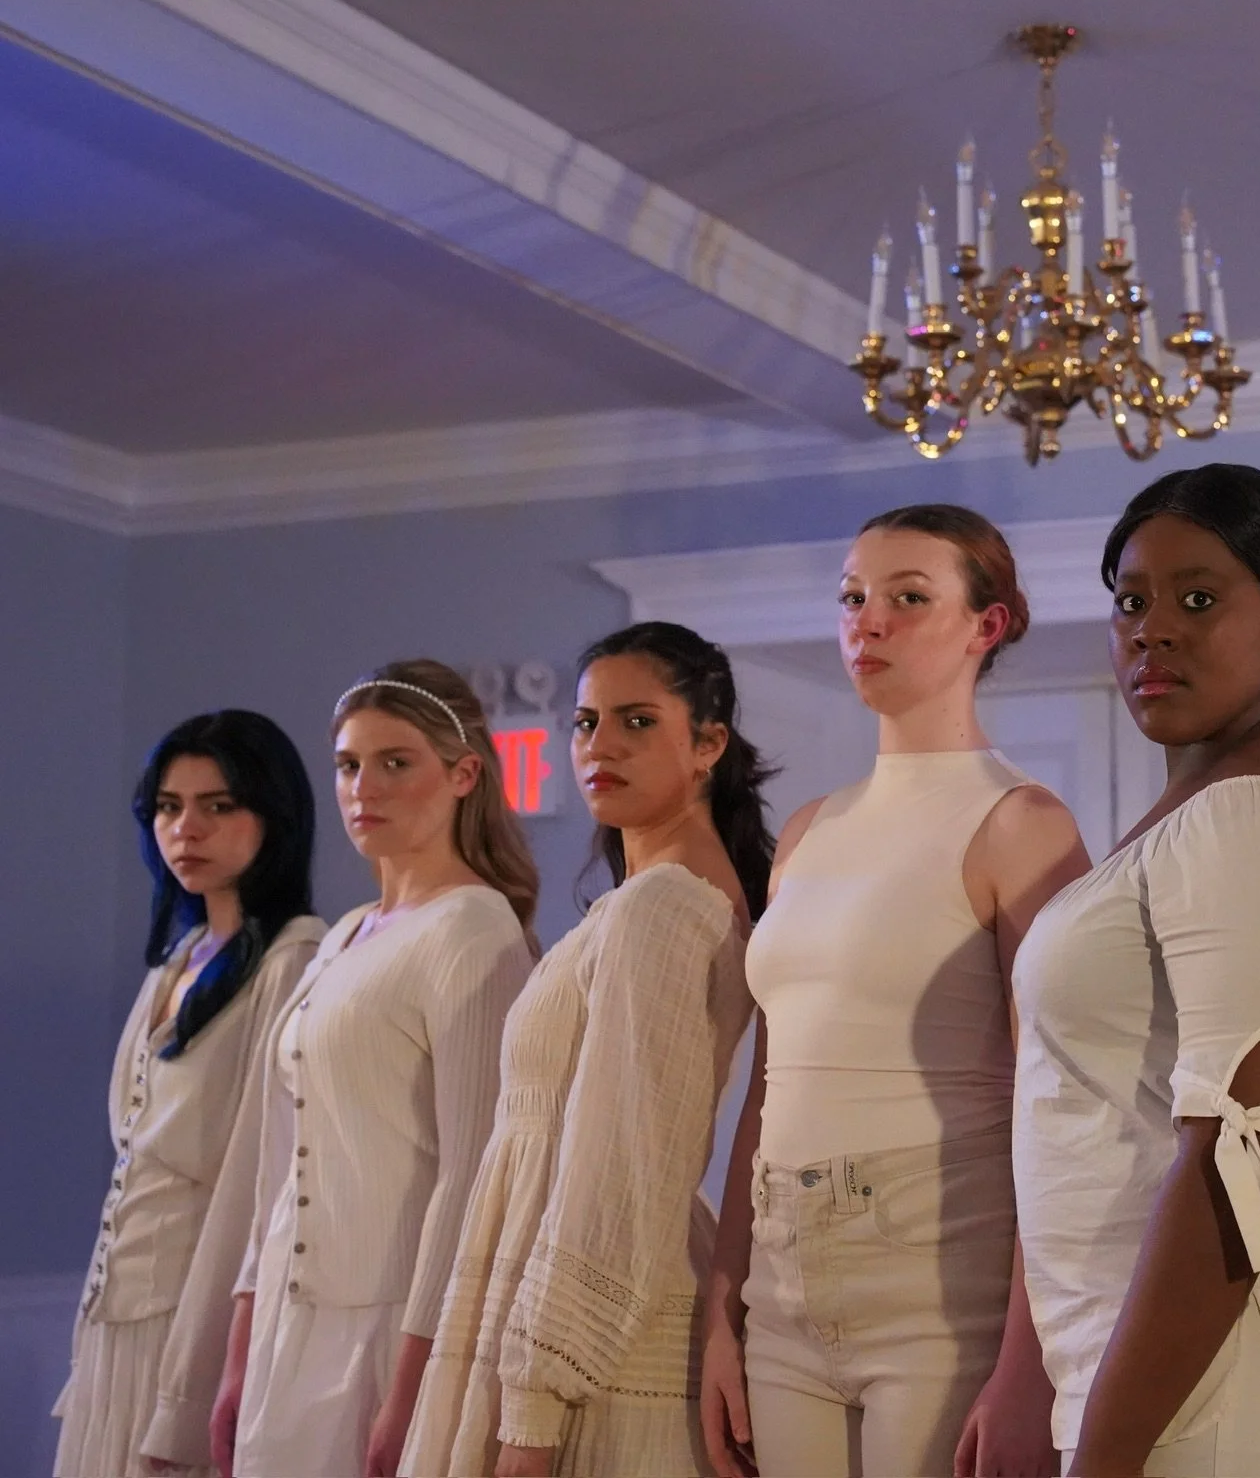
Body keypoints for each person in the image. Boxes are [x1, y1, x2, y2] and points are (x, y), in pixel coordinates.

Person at [1011, 464, 1260, 1477]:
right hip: (1174, 1375)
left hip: (1228, 1387)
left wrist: (1106, 1454)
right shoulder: (1214, 807)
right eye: (1130, 602)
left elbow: (1249, 1155)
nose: (1153, 628)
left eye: (1197, 598)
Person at [700, 505, 1090, 1478]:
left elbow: (1068, 1103)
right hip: (783, 1282)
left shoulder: (1020, 823)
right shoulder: (808, 832)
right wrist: (724, 1300)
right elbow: (769, 1082)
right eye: (852, 598)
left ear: (984, 626)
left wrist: (1028, 1360)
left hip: (939, 1279)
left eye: (908, 599)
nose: (867, 622)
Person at [402, 624, 768, 1476]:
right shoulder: (640, 904)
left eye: (637, 721)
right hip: (554, 1316)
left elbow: (622, 1168)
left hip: (593, 1352)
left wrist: (533, 1414)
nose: (600, 745)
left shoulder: (665, 910)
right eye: (585, 722)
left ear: (708, 743)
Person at [216, 662, 538, 1478]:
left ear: (464, 774)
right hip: (287, 1328)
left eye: (397, 762)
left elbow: (471, 1177)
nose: (366, 787)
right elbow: (277, 1164)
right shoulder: (347, 932)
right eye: (350, 764)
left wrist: (418, 1381)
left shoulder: (474, 930)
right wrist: (236, 1358)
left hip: (388, 1327)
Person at [53, 711, 326, 1478]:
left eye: (218, 805)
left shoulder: (293, 959)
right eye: (169, 807)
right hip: (115, 1317)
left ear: (271, 815)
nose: (187, 828)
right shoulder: (177, 959)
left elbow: (254, 1185)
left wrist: (193, 1384)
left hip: (192, 1323)